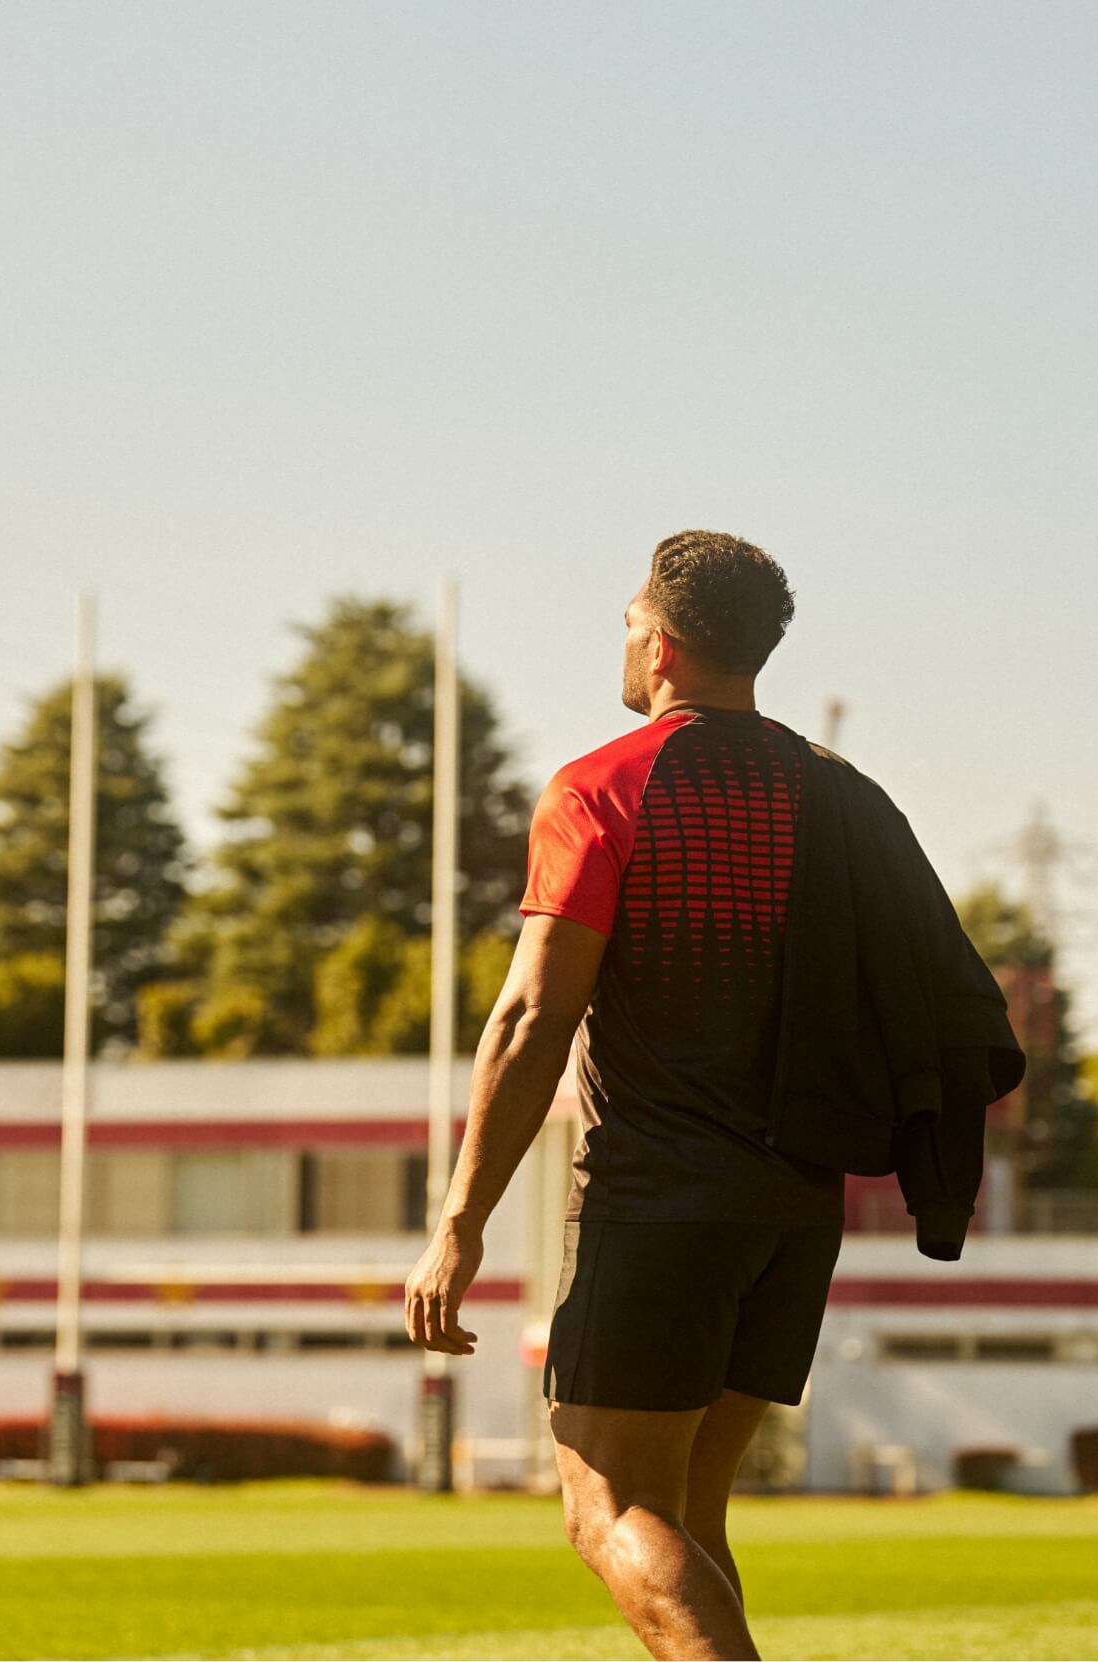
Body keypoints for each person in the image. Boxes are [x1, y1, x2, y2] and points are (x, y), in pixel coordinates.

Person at [405, 530, 866, 1658]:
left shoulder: (603, 787)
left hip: (662, 1202)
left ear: (659, 645)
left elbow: (528, 1017)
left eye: (624, 620)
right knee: (690, 1517)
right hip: (797, 1212)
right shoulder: (838, 795)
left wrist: (458, 1223)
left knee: (609, 1507)